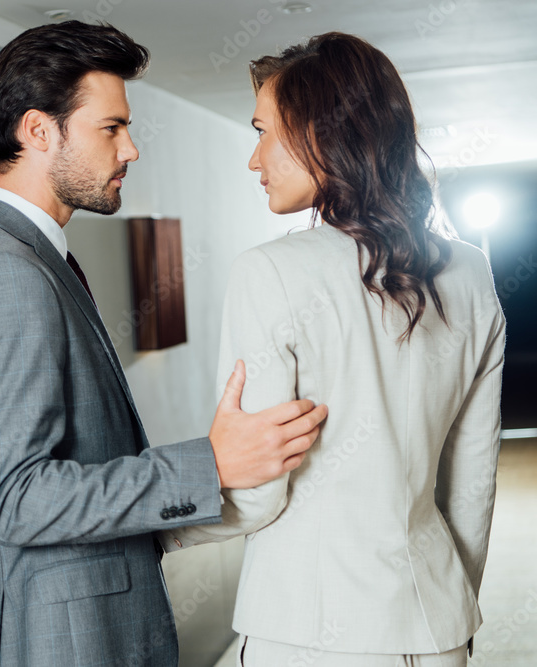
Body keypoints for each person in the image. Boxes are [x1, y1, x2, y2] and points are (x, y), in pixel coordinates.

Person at [0, 21, 328, 666]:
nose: (131, 149)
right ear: (39, 131)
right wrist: (212, 465)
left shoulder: (32, 259)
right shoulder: (4, 274)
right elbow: (18, 499)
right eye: (111, 128)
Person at [161, 32, 506, 667]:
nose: (253, 158)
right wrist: (451, 605)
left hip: (308, 633)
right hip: (437, 627)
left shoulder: (268, 272)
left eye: (263, 131)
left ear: (318, 135)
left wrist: (145, 526)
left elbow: (261, 492)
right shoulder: (472, 272)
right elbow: (473, 480)